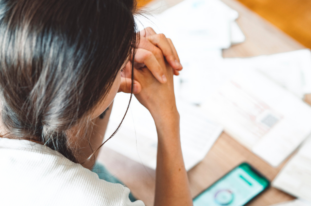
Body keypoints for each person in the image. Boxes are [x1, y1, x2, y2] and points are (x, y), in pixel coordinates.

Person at [0, 0, 193, 205]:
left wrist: (104, 74)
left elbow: (78, 162)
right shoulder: (93, 199)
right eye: (120, 68)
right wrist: (168, 117)